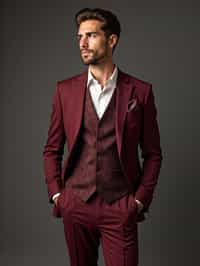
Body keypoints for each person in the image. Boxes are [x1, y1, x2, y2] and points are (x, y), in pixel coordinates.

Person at [43, 7, 163, 266]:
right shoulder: (64, 91)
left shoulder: (140, 92)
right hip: (76, 204)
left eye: (91, 35)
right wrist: (58, 195)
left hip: (120, 206)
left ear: (112, 40)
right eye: (79, 37)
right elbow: (52, 149)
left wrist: (140, 200)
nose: (83, 43)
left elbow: (153, 154)